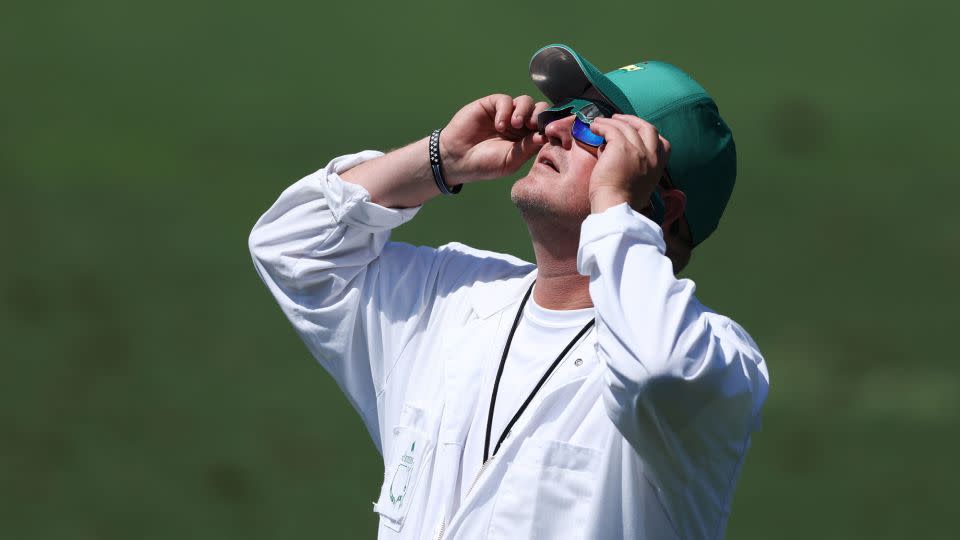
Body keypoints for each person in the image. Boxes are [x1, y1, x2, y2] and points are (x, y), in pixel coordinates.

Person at [249, 44, 770, 539]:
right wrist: (440, 160)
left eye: (599, 130)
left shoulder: (717, 361)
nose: (558, 127)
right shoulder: (453, 295)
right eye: (567, 109)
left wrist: (614, 206)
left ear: (661, 203)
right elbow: (291, 246)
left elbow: (657, 371)